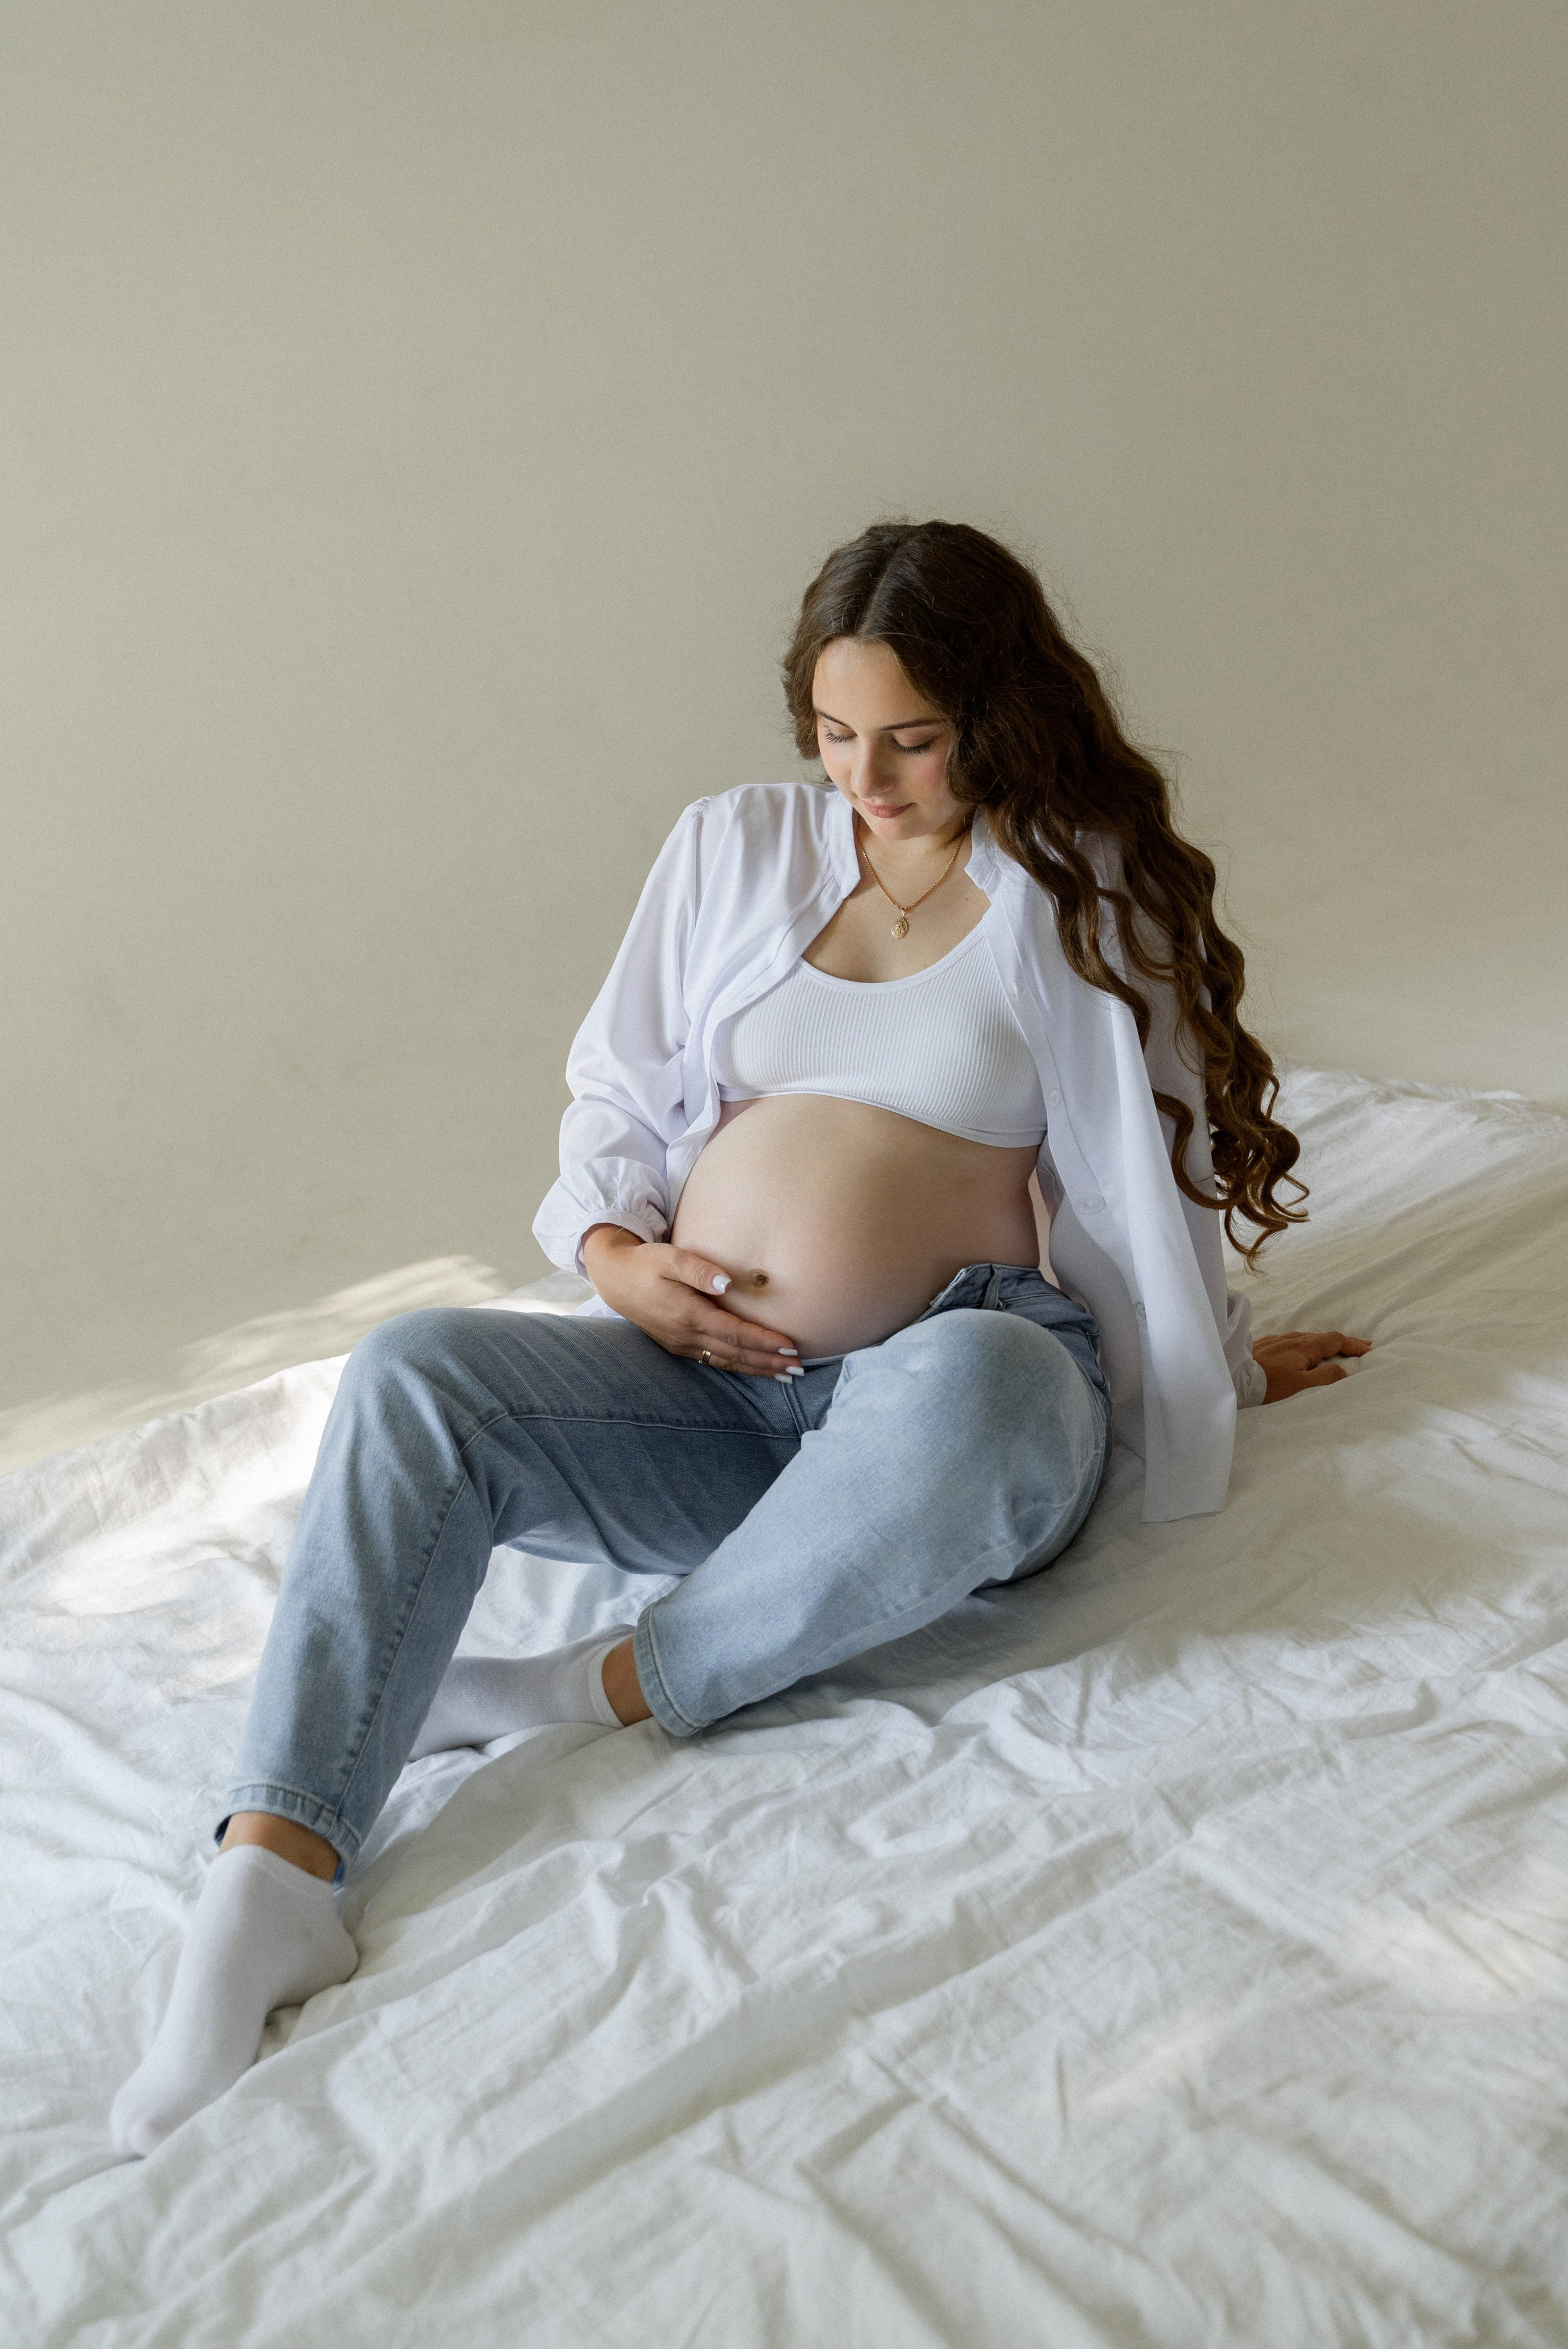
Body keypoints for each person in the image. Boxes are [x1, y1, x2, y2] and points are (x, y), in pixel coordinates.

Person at [110, 519, 1367, 2154]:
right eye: (838, 736)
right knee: (416, 1370)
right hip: (711, 1402)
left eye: (913, 739)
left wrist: (1211, 1358)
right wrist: (618, 1253)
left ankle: (599, 1679)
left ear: (998, 709)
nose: (871, 777)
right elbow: (618, 1092)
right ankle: (272, 1872)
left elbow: (1154, 1164)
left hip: (948, 1390)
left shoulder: (1067, 885)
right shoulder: (733, 848)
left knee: (988, 1389)